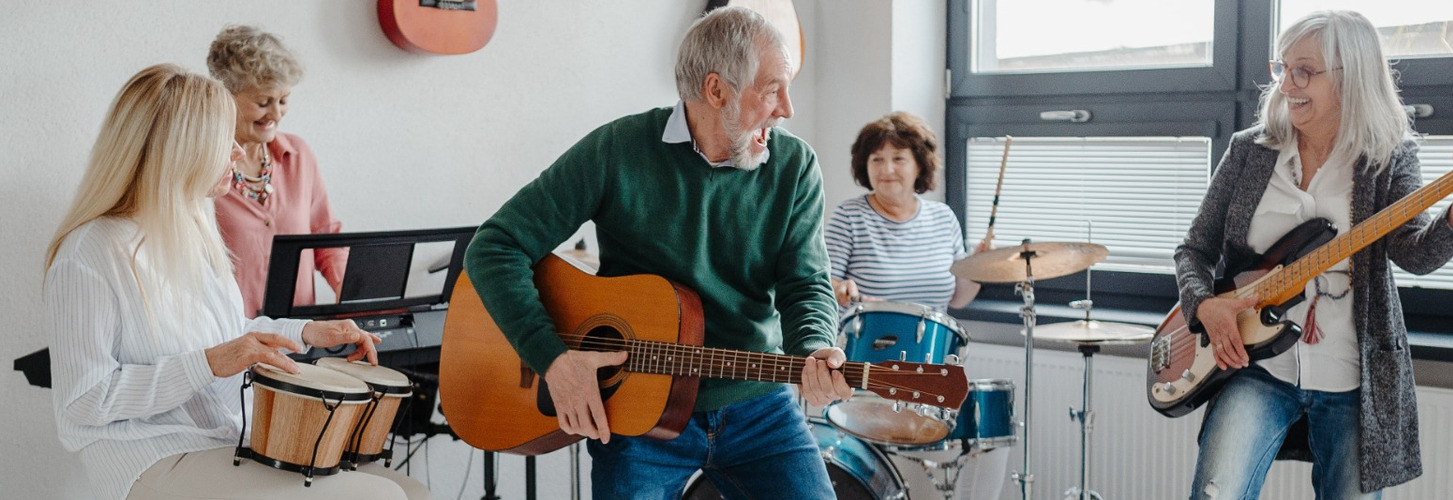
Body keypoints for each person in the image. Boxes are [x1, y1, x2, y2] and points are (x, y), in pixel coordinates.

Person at [462, 7, 851, 499]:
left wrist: (816, 346)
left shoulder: (794, 165)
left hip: (759, 408)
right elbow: (495, 245)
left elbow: (806, 282)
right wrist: (553, 359)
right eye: (772, 88)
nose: (787, 109)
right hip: (637, 412)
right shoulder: (617, 149)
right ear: (716, 91)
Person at [1175, 11, 1453, 500]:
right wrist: (1204, 305)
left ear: (1352, 76)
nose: (1288, 84)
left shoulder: (1388, 157)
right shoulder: (1249, 152)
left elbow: (1412, 252)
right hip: (1257, 370)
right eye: (1282, 68)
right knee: (1214, 492)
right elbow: (1193, 250)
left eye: (1304, 70)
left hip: (1354, 379)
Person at [44, 64, 408, 500]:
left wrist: (309, 332)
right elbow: (83, 400)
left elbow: (231, 335)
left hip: (224, 438)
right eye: (223, 139)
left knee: (409, 490)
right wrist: (208, 364)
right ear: (183, 150)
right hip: (147, 453)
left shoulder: (191, 229)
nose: (238, 151)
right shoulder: (89, 255)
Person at [207, 25, 347, 319]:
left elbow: (326, 238)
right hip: (229, 339)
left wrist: (350, 290)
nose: (276, 114)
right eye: (263, 102)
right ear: (226, 96)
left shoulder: (299, 156)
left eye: (283, 100)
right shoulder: (201, 166)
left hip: (300, 335)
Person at [824, 111, 993, 311]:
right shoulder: (849, 216)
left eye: (898, 159)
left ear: (920, 165)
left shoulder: (943, 218)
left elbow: (957, 299)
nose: (886, 170)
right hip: (866, 340)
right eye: (877, 159)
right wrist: (839, 287)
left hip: (931, 342)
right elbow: (822, 285)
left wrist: (978, 267)